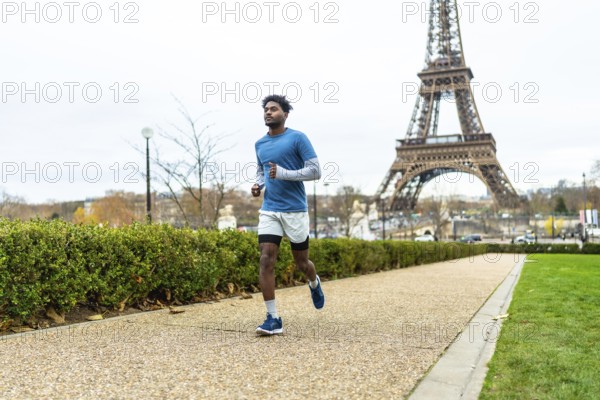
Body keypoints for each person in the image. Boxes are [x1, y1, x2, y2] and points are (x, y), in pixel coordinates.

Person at [251, 94, 325, 336]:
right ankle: (273, 318)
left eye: (274, 109)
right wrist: (258, 185)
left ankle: (314, 282)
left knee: (302, 263)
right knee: (266, 259)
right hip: (270, 209)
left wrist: (284, 173)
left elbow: (315, 171)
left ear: (285, 114)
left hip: (294, 209)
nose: (268, 112)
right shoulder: (260, 144)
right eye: (266, 109)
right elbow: (262, 172)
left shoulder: (298, 138)